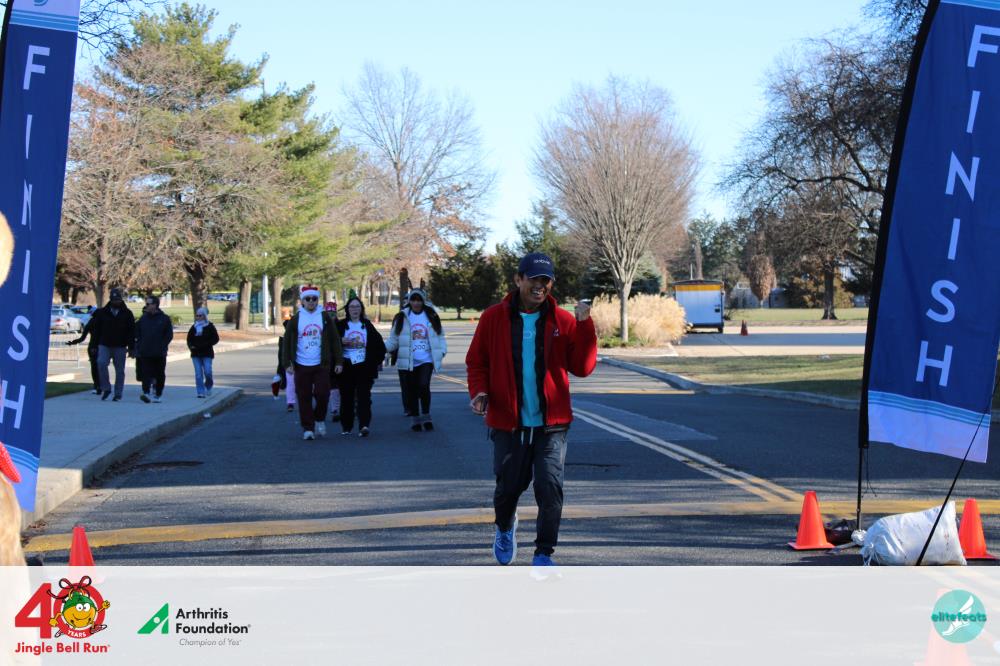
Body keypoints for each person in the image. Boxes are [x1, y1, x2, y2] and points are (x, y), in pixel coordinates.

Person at [466, 252, 597, 567]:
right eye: (534, 279)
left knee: (549, 487)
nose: (540, 286)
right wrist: (480, 391)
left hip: (552, 424)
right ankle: (504, 527)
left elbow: (583, 367)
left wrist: (585, 326)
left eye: (546, 280)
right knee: (508, 489)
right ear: (518, 279)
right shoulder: (493, 318)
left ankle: (543, 553)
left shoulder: (563, 320)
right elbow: (477, 361)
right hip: (508, 423)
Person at [282, 285, 343, 440]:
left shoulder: (324, 317)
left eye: (314, 298)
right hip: (301, 364)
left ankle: (319, 419)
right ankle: (308, 428)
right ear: (302, 301)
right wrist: (287, 363)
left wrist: (339, 361)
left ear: (317, 300)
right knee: (304, 397)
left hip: (321, 364)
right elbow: (286, 342)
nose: (311, 301)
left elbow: (335, 340)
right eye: (307, 299)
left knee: (323, 394)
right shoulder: (296, 319)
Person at [386, 288, 446, 432]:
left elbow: (440, 335)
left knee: (424, 385)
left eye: (419, 300)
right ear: (409, 301)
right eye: (413, 300)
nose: (416, 303)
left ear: (423, 301)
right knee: (411, 389)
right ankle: (415, 418)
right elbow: (393, 339)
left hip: (426, 359)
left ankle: (426, 416)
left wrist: (442, 351)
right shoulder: (402, 317)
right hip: (409, 360)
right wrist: (382, 350)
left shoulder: (431, 315)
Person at [336, 297, 386, 437]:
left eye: (357, 307)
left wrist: (374, 362)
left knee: (364, 396)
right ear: (347, 309)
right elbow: (330, 344)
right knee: (347, 397)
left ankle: (364, 425)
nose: (355, 310)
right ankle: (347, 426)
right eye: (352, 307)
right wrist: (340, 341)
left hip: (364, 366)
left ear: (361, 309)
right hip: (346, 365)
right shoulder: (341, 326)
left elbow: (379, 346)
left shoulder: (367, 325)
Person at [91, 288, 136, 401]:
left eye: (118, 300)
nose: (116, 302)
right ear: (110, 300)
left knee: (120, 370)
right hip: (104, 344)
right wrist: (94, 345)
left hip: (120, 345)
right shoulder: (102, 313)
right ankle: (106, 388)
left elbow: (131, 331)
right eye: (114, 300)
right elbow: (96, 330)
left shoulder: (127, 313)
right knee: (101, 363)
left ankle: (118, 393)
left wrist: (131, 347)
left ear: (121, 300)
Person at [134, 295, 174, 403]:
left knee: (159, 373)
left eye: (148, 304)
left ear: (155, 305)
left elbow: (169, 335)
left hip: (159, 352)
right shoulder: (143, 318)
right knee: (145, 373)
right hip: (145, 351)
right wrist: (140, 345)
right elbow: (137, 332)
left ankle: (158, 394)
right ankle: (146, 392)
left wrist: (162, 345)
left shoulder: (164, 319)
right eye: (146, 304)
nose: (146, 306)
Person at [186, 306, 219, 398]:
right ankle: (200, 391)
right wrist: (191, 347)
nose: (198, 317)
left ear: (204, 316)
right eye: (197, 315)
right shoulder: (194, 327)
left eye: (200, 315)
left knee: (208, 372)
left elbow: (216, 339)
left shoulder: (210, 326)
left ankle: (208, 386)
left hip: (207, 353)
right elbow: (189, 339)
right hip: (196, 353)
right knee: (198, 374)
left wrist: (207, 344)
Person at [66, 314, 101, 394]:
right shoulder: (103, 322)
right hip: (101, 347)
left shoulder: (91, 322)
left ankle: (97, 386)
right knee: (100, 367)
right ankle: (100, 385)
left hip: (93, 347)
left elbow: (82, 338)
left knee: (94, 367)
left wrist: (72, 342)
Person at [324, 300, 341, 423]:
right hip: (328, 361)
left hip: (342, 359)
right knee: (333, 386)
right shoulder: (322, 327)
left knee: (343, 386)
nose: (331, 316)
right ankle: (335, 409)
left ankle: (349, 407)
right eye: (329, 314)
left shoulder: (342, 326)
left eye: (333, 313)